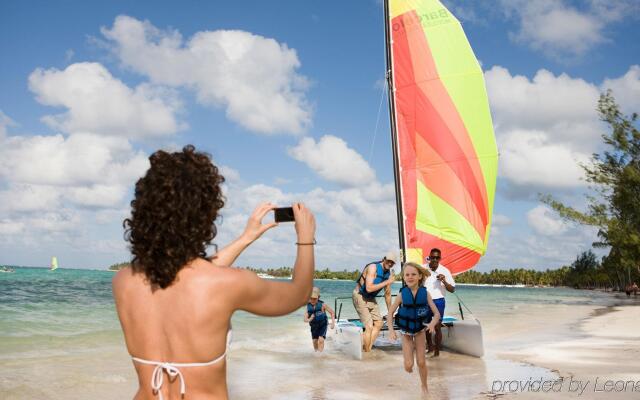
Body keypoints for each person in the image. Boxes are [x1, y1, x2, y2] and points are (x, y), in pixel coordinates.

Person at [112, 145, 316, 400]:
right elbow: (299, 294)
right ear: (205, 214)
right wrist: (305, 239)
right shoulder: (227, 284)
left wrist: (246, 238)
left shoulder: (123, 280)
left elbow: (186, 274)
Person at [387, 262, 440, 395]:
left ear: (420, 276)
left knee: (421, 362)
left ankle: (424, 386)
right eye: (407, 275)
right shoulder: (401, 295)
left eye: (413, 274)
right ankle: (409, 367)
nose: (410, 277)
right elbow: (390, 313)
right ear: (404, 277)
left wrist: (433, 323)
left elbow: (437, 313)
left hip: (420, 331)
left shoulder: (425, 294)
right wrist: (391, 331)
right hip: (405, 333)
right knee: (408, 365)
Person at [352, 252, 397, 352]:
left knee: (379, 323)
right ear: (384, 259)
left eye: (392, 263)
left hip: (371, 298)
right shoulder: (373, 267)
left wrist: (390, 311)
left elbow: (388, 294)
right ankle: (367, 354)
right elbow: (368, 288)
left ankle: (366, 349)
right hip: (360, 295)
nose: (390, 264)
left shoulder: (388, 274)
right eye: (388, 261)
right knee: (369, 326)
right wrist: (387, 282)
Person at [420, 248, 455, 357]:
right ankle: (430, 348)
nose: (435, 259)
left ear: (440, 259)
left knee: (437, 327)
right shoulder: (423, 268)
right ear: (429, 257)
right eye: (433, 257)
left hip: (439, 301)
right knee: (426, 326)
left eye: (437, 258)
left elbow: (452, 289)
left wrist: (444, 280)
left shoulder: (444, 271)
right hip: (425, 301)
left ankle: (437, 352)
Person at [304, 286, 335, 352]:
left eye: (314, 299)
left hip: (322, 324)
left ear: (318, 297)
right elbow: (305, 319)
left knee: (321, 340)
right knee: (315, 341)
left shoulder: (323, 305)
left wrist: (333, 323)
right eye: (311, 298)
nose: (312, 300)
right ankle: (316, 354)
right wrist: (310, 319)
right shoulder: (308, 307)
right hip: (314, 325)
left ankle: (320, 354)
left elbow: (332, 313)